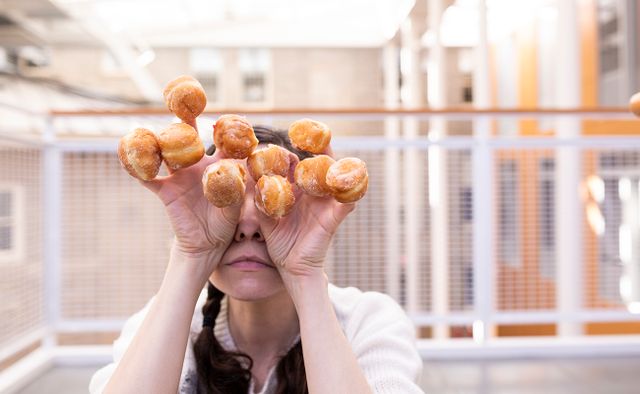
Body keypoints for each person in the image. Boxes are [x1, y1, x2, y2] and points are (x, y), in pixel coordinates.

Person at [89, 126, 423, 393]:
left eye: (269, 194)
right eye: (230, 195)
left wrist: (303, 273)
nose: (249, 224)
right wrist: (190, 256)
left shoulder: (368, 321)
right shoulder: (164, 324)